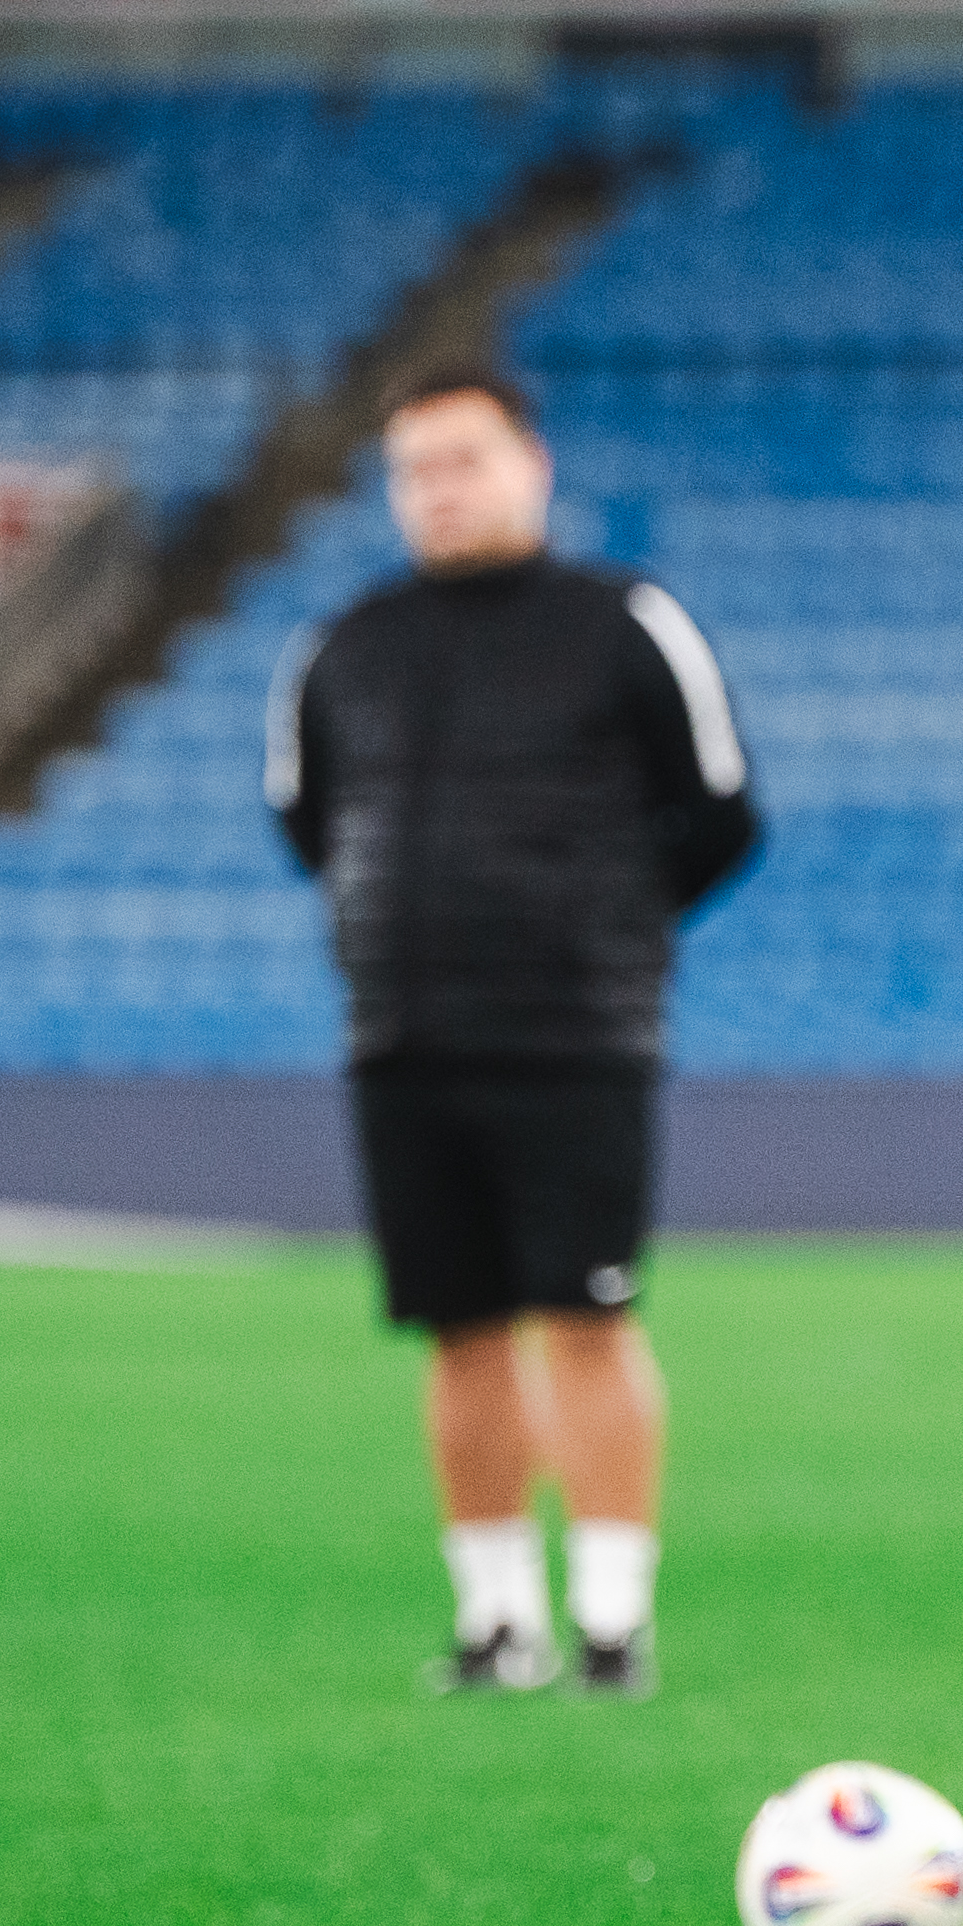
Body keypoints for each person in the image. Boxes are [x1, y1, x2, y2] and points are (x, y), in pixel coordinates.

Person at [269, 361, 761, 1697]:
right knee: (459, 1330)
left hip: (574, 1034)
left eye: (465, 459)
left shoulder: (624, 623)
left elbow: (719, 809)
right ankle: (498, 1618)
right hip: (405, 1037)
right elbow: (308, 822)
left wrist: (600, 925)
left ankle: (611, 1618)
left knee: (587, 1321)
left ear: (532, 465)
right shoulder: (346, 645)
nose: (441, 488)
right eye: (415, 468)